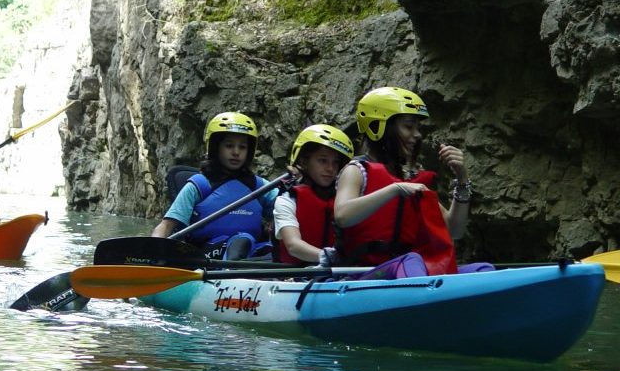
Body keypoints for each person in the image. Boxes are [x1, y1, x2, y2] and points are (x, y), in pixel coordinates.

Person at [333, 87, 491, 278]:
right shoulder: (356, 171)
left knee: (483, 270)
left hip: (409, 271)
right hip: (363, 274)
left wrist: (462, 178)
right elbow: (343, 215)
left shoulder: (411, 177)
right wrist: (394, 189)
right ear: (379, 128)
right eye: (409, 127)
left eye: (418, 128)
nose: (417, 135)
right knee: (411, 261)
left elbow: (454, 230)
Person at [151, 112, 278, 261]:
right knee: (240, 241)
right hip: (206, 254)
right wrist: (155, 249)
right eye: (229, 146)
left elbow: (289, 205)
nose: (236, 152)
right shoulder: (199, 185)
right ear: (215, 147)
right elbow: (166, 226)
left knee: (263, 247)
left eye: (242, 147)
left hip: (252, 252)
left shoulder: (259, 186)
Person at [274, 124, 354, 267]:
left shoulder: (344, 199)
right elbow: (293, 245)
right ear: (304, 162)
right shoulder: (287, 199)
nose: (330, 169)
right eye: (322, 160)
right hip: (293, 275)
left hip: (336, 274)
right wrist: (327, 257)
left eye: (335, 162)